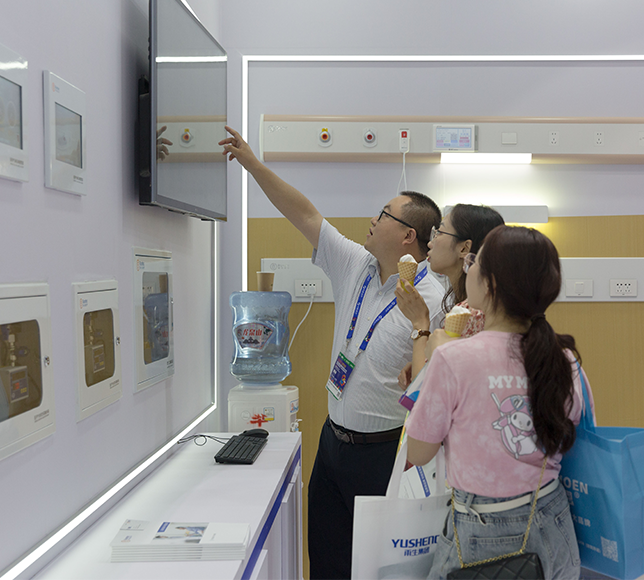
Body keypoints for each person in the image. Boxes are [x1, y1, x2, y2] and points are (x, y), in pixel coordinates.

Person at [220, 126, 446, 580]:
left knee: (377, 570)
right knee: (325, 563)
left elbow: (433, 385)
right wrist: (252, 163)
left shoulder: (432, 300)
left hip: (384, 455)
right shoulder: (355, 264)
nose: (373, 219)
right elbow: (304, 213)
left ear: (408, 236)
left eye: (383, 214)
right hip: (331, 444)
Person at [404, 225, 595, 580]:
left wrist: (429, 363)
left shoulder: (453, 358)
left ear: (490, 284)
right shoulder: (565, 359)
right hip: (554, 522)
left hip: (482, 532)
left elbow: (418, 452)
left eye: (474, 262)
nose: (468, 268)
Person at [394, 204, 504, 388]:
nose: (430, 242)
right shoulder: (480, 304)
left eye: (439, 232)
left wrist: (420, 323)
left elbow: (424, 392)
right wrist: (425, 362)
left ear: (464, 249)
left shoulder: (471, 313)